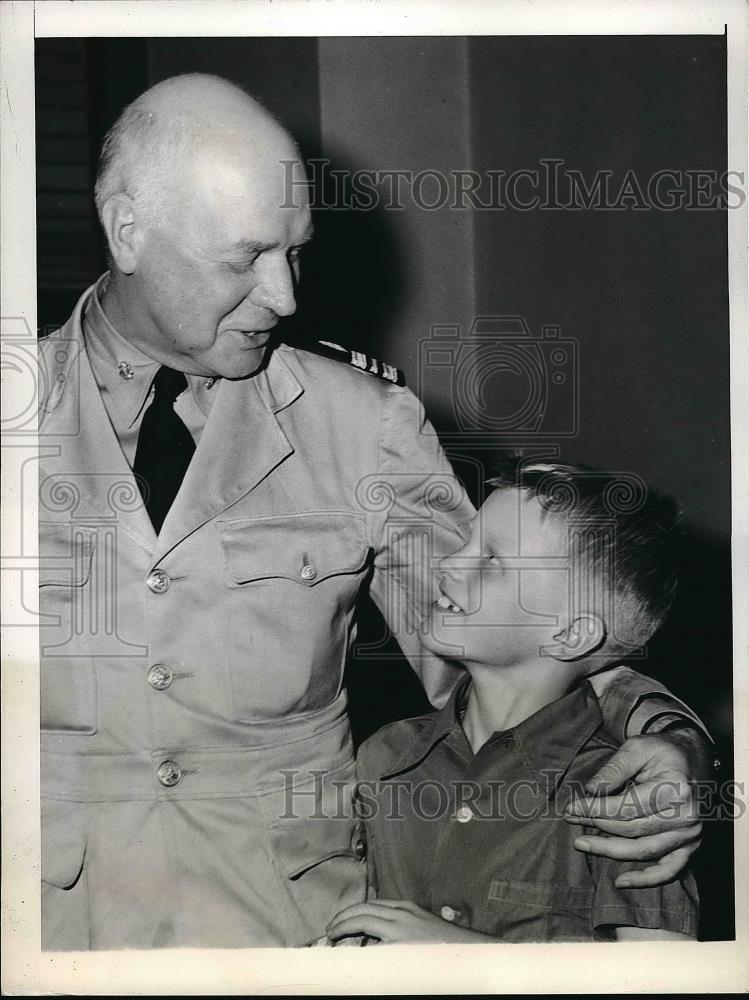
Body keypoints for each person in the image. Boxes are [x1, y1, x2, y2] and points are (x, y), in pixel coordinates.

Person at [38, 73, 708, 950]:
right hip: (54, 933)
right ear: (129, 231)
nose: (284, 296)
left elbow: (512, 629)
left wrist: (669, 736)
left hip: (291, 935)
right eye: (244, 258)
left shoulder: (362, 426)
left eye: (297, 251)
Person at [327, 462, 699, 944]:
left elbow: (666, 980)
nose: (450, 563)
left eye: (492, 561)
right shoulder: (385, 756)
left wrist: (459, 954)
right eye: (466, 542)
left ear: (569, 633)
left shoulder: (621, 800)